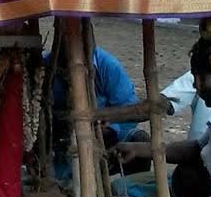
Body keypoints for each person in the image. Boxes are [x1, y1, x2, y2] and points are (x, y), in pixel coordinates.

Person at [47, 32, 149, 179]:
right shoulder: (47, 68)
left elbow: (130, 112)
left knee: (140, 140)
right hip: (61, 144)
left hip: (106, 142)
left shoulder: (108, 67)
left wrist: (111, 129)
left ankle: (132, 194)